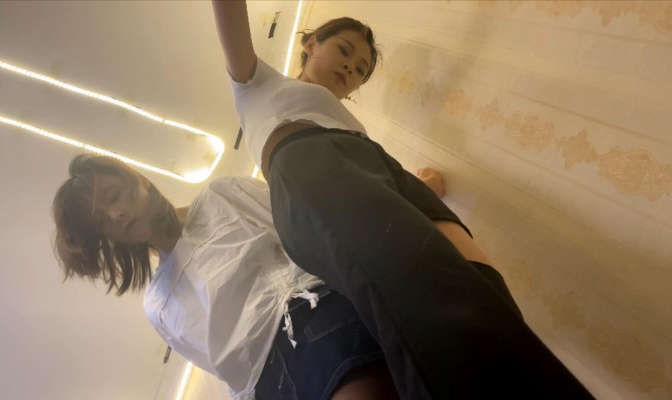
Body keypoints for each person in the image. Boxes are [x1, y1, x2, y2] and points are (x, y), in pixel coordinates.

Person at [212, 1, 593, 399]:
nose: (351, 68)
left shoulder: (347, 121)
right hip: (308, 159)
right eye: (344, 51)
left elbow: (371, 178)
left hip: (375, 167)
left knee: (484, 286)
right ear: (311, 43)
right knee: (426, 305)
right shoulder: (258, 84)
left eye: (360, 69)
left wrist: (422, 187)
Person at [53, 155, 460, 399]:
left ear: (138, 180)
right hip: (269, 386)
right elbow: (229, 374)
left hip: (312, 319)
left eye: (113, 197)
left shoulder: (221, 196)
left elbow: (313, 232)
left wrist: (407, 202)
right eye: (102, 221)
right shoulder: (158, 306)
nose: (117, 215)